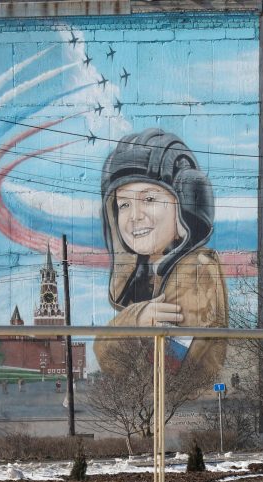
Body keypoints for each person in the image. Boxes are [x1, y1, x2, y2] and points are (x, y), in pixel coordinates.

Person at [93, 128, 227, 385]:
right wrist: (136, 320)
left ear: (185, 208)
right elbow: (106, 358)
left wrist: (127, 327)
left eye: (150, 199)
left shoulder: (195, 271)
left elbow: (164, 370)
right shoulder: (145, 277)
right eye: (124, 204)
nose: (134, 216)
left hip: (187, 409)